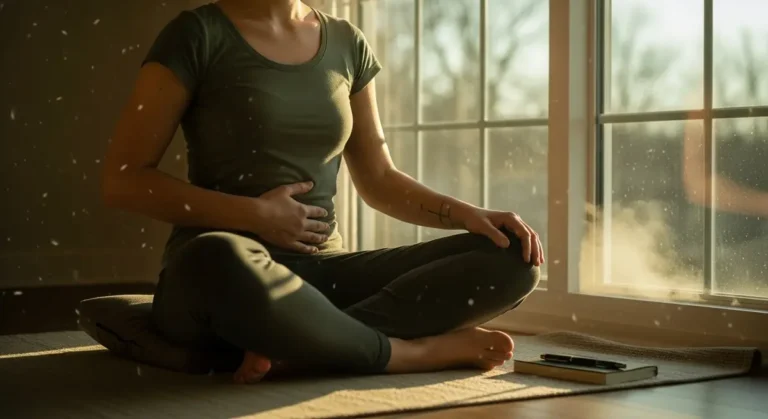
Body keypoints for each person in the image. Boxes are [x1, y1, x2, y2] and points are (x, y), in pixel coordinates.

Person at [102, 0, 544, 384]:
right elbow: (124, 179)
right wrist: (252, 216)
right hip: (226, 279)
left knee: (510, 257)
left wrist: (466, 214)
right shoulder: (195, 34)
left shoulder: (346, 41)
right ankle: (408, 353)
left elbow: (380, 180)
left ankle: (301, 347)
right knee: (214, 255)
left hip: (324, 279)